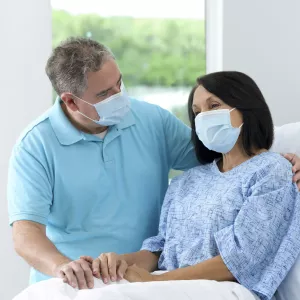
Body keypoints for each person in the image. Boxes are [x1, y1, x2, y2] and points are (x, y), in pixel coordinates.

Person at [7, 37, 300, 290]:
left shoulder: (151, 120)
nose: (119, 96)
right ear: (71, 102)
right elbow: (26, 234)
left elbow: (226, 151)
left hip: (146, 277)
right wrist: (64, 267)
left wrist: (280, 159)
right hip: (81, 277)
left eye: (118, 83)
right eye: (105, 94)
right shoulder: (36, 145)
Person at [85, 72, 300, 300]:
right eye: (197, 113)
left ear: (247, 109)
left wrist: (156, 282)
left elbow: (241, 261)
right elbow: (160, 249)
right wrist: (119, 263)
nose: (204, 117)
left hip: (225, 289)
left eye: (214, 105)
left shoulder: (271, 170)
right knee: (62, 290)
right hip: (169, 284)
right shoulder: (186, 180)